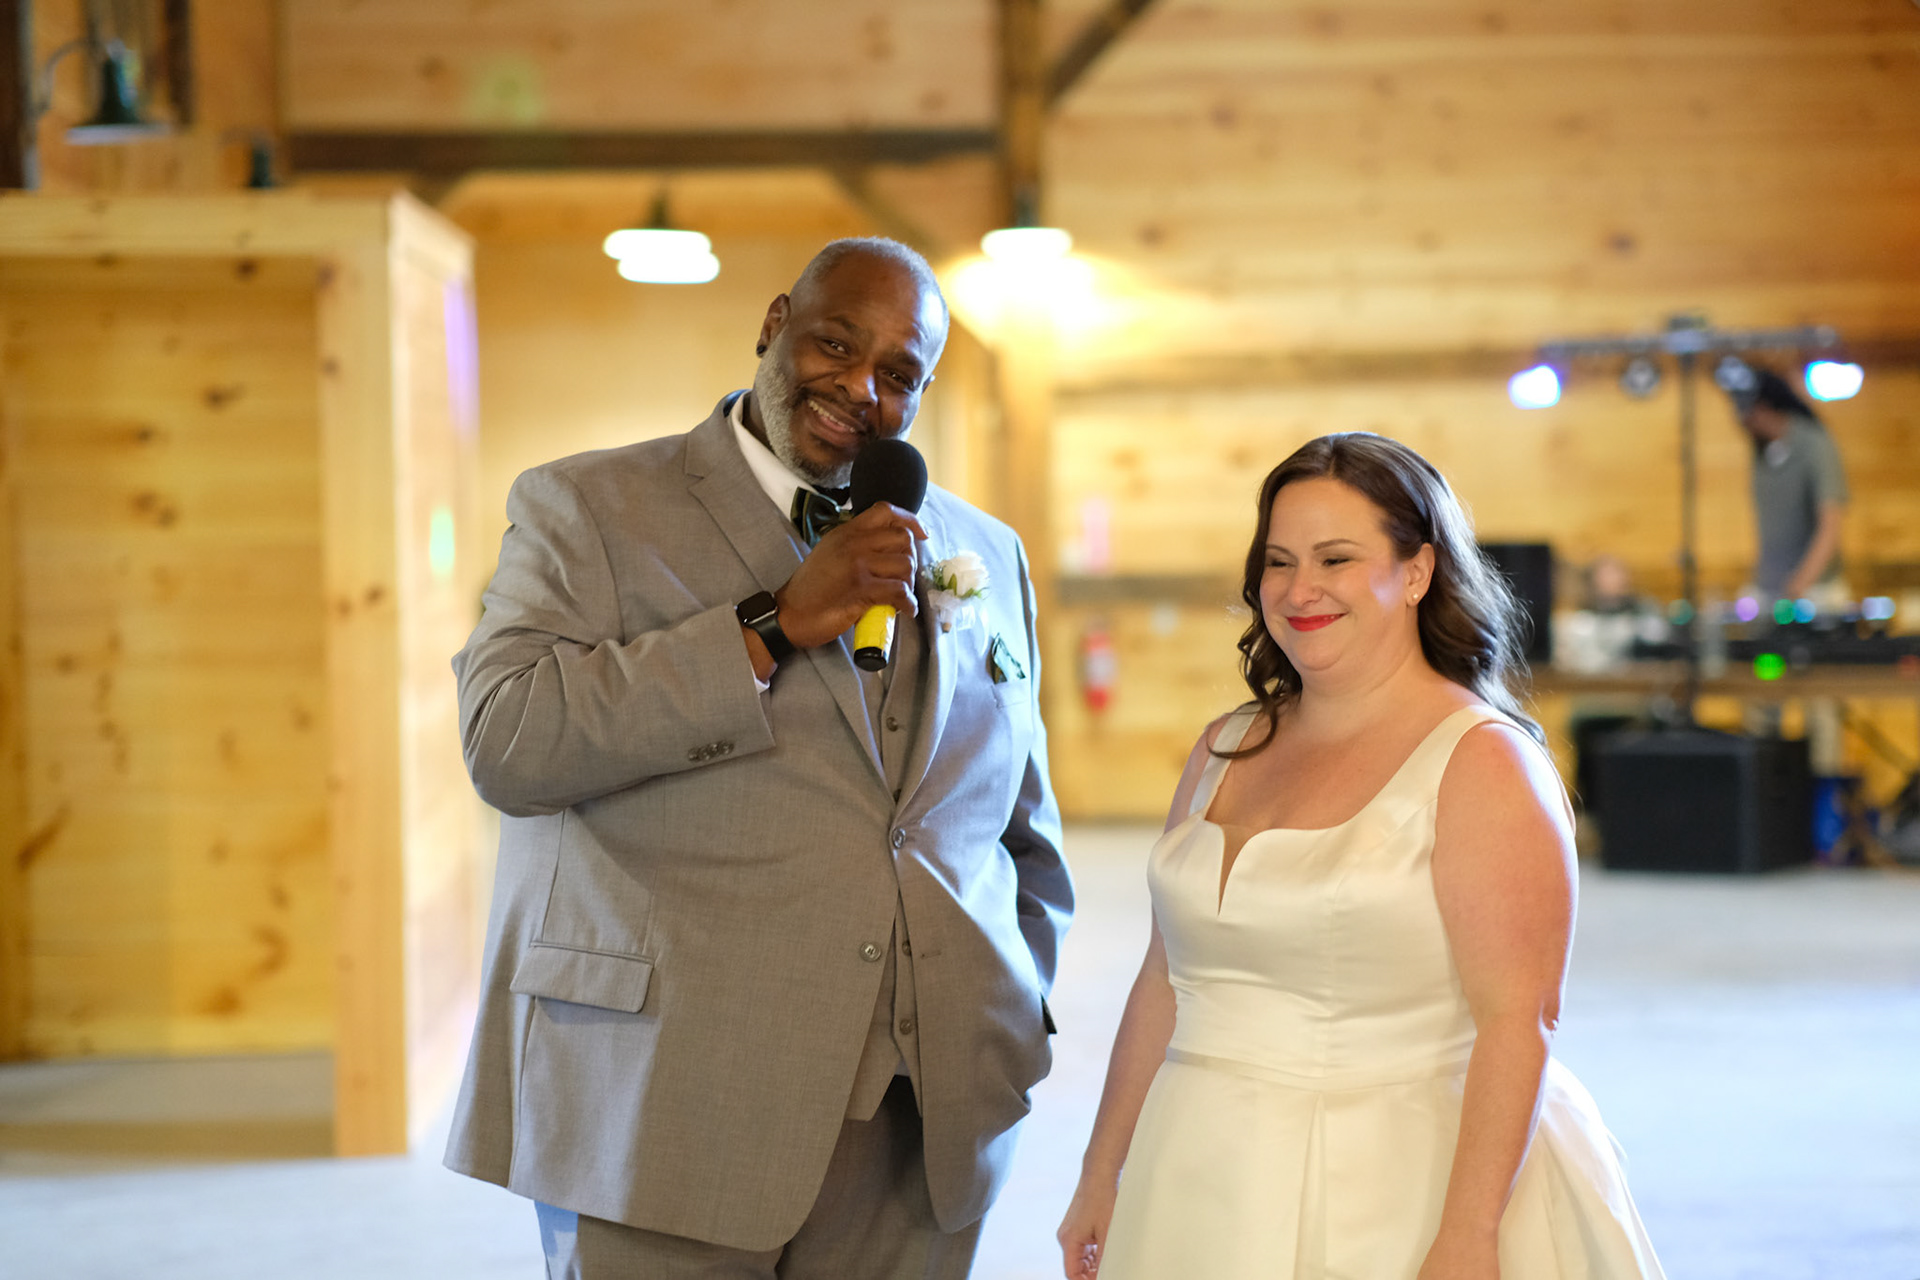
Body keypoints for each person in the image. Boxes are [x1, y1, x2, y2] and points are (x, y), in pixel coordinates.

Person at [443, 237, 1073, 1279]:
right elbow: (507, 742)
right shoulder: (589, 507)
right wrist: (769, 626)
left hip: (924, 1117)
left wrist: (1011, 1007)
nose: (861, 389)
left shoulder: (987, 550)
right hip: (670, 1096)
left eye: (899, 373)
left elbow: (1020, 828)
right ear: (775, 323)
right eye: (837, 344)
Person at [1057, 433, 1663, 1279]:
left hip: (1392, 1183)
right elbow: (1165, 977)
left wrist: (1469, 1233)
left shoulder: (1482, 761)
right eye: (1278, 562)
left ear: (1416, 572)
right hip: (1197, 1169)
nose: (1299, 589)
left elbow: (1517, 1020)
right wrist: (1102, 1169)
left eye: (1335, 559)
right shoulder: (1224, 745)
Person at [1731, 367, 1849, 605]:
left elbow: (1830, 525)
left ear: (1764, 407)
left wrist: (1801, 583)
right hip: (1769, 588)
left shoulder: (1815, 445)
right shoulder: (1762, 452)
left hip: (1816, 590)